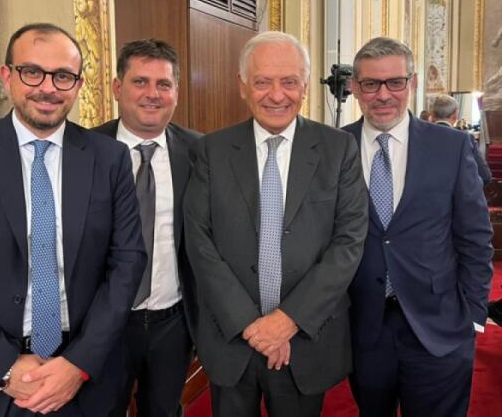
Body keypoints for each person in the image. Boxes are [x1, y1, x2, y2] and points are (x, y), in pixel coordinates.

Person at [0, 23, 146, 417]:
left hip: (80, 379)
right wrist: (3, 366)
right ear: (8, 76)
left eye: (63, 76)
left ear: (78, 84)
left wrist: (79, 363)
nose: (47, 88)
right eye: (32, 72)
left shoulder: (109, 158)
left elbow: (127, 263)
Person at [184, 31, 368, 417]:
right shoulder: (211, 150)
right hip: (232, 338)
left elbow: (348, 241)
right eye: (262, 82)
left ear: (305, 86)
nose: (276, 95)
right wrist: (251, 325)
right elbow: (200, 242)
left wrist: (287, 321)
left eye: (289, 82)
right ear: (242, 86)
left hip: (306, 339)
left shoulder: (338, 149)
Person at [343, 37, 493, 417]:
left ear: (411, 83)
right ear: (355, 88)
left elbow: (475, 237)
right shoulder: (334, 147)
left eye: (395, 82)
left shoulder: (451, 147)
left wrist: (474, 316)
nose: (383, 95)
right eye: (371, 84)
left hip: (440, 327)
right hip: (363, 328)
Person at [93, 39, 201, 417]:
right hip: (102, 321)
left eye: (163, 84)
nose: (152, 94)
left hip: (173, 321)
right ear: (117, 87)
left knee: (164, 410)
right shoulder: (84, 150)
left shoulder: (200, 152)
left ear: (176, 93)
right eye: (140, 81)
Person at [431, 93, 492, 185]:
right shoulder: (465, 139)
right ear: (455, 115)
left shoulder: (419, 138)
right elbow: (485, 176)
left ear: (432, 115)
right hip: (458, 193)